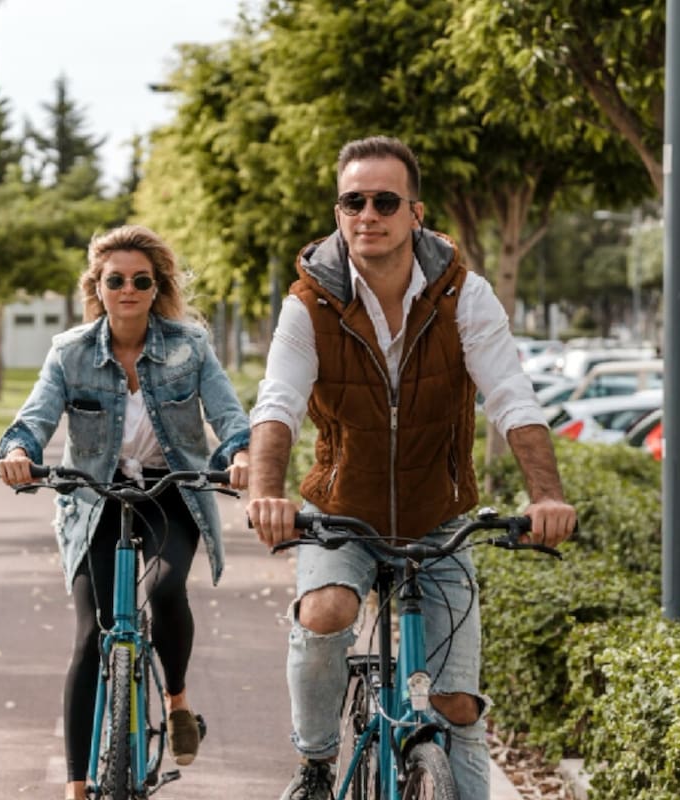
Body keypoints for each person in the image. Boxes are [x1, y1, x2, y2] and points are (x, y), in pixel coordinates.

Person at [245, 136, 576, 800]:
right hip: (342, 514)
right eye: (353, 201)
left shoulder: (465, 296)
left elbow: (511, 394)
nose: (368, 213)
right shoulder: (308, 305)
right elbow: (278, 400)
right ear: (339, 211)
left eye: (385, 200)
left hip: (437, 518)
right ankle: (314, 763)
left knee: (456, 708)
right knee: (329, 610)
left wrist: (548, 495)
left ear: (414, 213)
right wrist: (265, 491)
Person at [0, 224, 251, 800]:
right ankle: (78, 785)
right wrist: (18, 452)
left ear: (156, 286)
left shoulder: (190, 347)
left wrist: (239, 454)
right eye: (117, 280)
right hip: (95, 497)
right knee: (92, 636)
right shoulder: (70, 352)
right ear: (99, 286)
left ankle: (178, 699)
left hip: (173, 493)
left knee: (164, 592)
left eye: (141, 280)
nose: (129, 289)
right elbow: (34, 419)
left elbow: (231, 418)